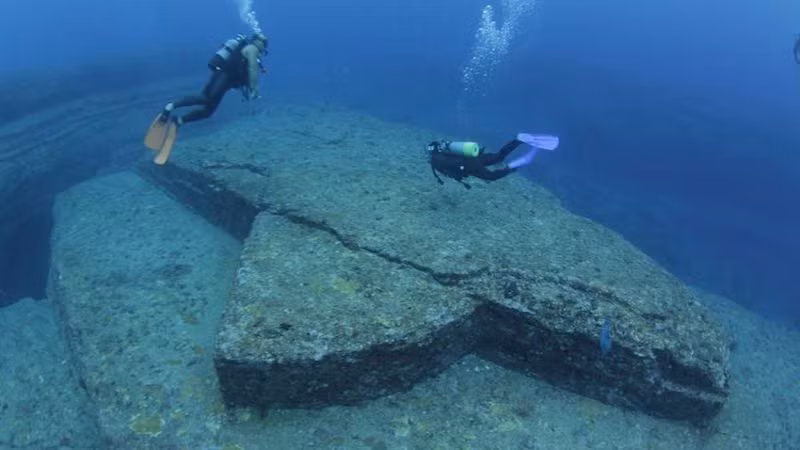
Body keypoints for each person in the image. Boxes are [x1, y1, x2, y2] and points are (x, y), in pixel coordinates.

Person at [160, 32, 269, 127]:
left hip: (226, 80)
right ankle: (170, 107)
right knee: (206, 98)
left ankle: (179, 121)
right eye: (263, 42)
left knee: (208, 111)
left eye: (265, 43)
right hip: (224, 74)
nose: (264, 45)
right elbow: (252, 68)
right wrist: (255, 87)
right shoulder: (252, 48)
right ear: (256, 41)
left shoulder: (252, 50)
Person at [427, 133, 559, 189]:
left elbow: (452, 171)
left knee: (491, 176)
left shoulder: (436, 160)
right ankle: (518, 140)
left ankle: (511, 167)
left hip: (470, 166)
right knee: (498, 157)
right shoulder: (446, 149)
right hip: (475, 156)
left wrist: (461, 175)